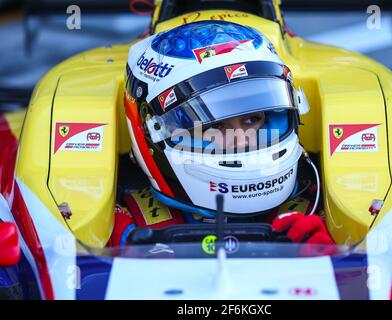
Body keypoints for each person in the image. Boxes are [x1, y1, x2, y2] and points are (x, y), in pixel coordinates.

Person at [109, 20, 334, 249]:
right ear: (151, 131)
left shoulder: (322, 213)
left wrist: (330, 262)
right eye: (211, 127)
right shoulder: (119, 225)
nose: (242, 139)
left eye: (251, 119)